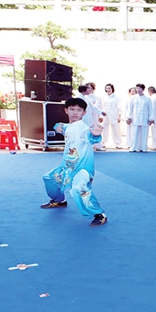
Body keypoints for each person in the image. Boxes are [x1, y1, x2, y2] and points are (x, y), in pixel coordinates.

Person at [40, 97, 108, 227]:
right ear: (66, 110)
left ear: (84, 113)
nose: (75, 113)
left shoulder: (84, 129)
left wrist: (96, 135)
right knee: (49, 178)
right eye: (72, 109)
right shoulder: (68, 127)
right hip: (66, 168)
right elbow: (60, 126)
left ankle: (99, 214)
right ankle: (59, 201)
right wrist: (57, 127)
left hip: (82, 169)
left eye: (79, 110)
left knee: (78, 188)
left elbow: (92, 137)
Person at [126, 83, 153, 152]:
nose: (138, 90)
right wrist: (129, 117)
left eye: (139, 88)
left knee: (144, 133)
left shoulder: (147, 99)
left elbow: (151, 109)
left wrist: (151, 118)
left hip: (145, 118)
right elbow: (130, 108)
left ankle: (143, 147)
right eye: (137, 88)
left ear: (143, 89)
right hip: (135, 118)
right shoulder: (133, 98)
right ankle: (133, 147)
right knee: (134, 133)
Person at [101, 83, 123, 149]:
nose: (108, 89)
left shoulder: (116, 97)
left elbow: (119, 107)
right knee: (104, 129)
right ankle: (103, 142)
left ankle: (118, 143)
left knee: (116, 129)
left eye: (109, 88)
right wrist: (101, 116)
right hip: (105, 115)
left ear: (112, 89)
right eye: (107, 88)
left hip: (114, 115)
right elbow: (102, 107)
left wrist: (119, 116)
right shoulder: (104, 97)